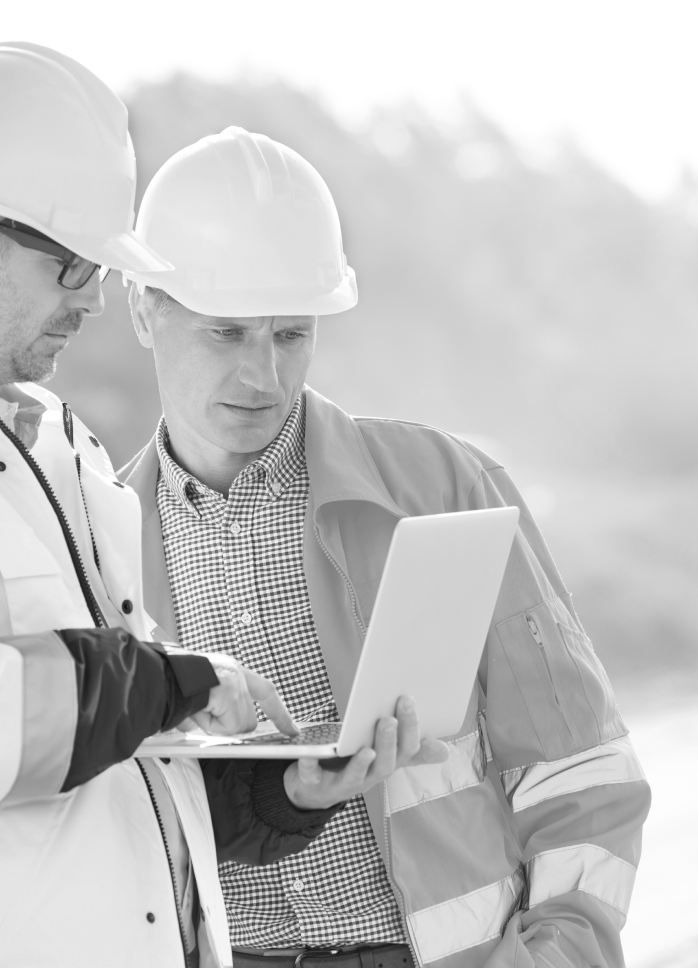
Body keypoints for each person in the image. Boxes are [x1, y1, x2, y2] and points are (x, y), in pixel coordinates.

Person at [0, 47, 438, 968]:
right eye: (72, 268)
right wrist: (154, 682)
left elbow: (66, 793)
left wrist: (267, 801)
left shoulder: (52, 457)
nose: (95, 301)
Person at [121, 127, 652, 968]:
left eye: (290, 334)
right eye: (226, 333)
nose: (262, 376)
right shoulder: (98, 543)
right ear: (143, 308)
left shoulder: (439, 486)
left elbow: (579, 767)